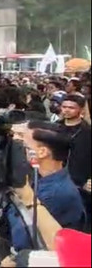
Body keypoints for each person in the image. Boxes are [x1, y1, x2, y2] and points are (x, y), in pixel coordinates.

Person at [7, 120, 85, 250]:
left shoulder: (58, 194)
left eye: (23, 145)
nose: (18, 148)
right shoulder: (33, 176)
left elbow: (20, 239)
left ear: (42, 152)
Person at [59, 94, 91, 232]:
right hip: (58, 180)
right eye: (64, 107)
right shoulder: (54, 128)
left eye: (71, 108)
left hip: (81, 183)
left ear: (80, 110)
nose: (66, 110)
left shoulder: (87, 132)